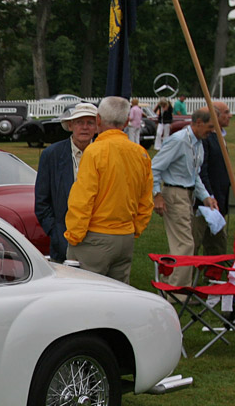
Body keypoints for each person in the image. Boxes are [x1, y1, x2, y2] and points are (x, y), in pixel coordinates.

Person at [64, 97, 154, 284]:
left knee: (84, 294)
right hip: (125, 237)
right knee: (118, 294)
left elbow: (83, 198)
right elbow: (146, 201)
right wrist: (135, 229)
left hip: (95, 237)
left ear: (98, 120)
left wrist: (74, 235)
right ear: (127, 121)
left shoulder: (94, 152)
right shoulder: (141, 154)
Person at [151, 107, 219, 287]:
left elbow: (194, 175)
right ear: (198, 123)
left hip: (187, 195)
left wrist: (205, 197)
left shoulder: (197, 143)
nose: (212, 131)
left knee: (182, 243)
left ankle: (172, 283)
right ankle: (177, 291)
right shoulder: (179, 141)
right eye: (210, 126)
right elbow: (154, 168)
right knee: (185, 244)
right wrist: (156, 194)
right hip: (174, 194)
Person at [34, 102, 98, 262]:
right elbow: (42, 201)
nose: (85, 127)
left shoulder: (103, 154)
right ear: (70, 125)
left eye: (90, 123)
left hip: (97, 237)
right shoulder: (52, 155)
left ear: (97, 127)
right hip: (62, 237)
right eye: (79, 122)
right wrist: (55, 233)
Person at [196, 101, 232, 255]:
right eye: (226, 112)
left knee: (217, 239)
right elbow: (202, 169)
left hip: (220, 196)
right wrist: (209, 195)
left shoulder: (220, 136)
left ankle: (213, 272)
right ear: (215, 116)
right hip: (208, 199)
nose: (230, 115)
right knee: (197, 239)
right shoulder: (207, 138)